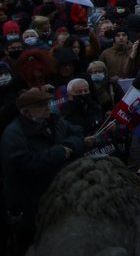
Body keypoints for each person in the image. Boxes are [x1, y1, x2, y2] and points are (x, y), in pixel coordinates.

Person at [1, 88, 86, 254]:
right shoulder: (13, 134)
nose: (47, 108)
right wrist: (58, 153)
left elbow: (78, 133)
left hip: (60, 195)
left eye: (47, 103)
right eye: (40, 105)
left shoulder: (54, 120)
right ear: (26, 112)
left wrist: (68, 146)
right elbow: (24, 162)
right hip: (31, 204)